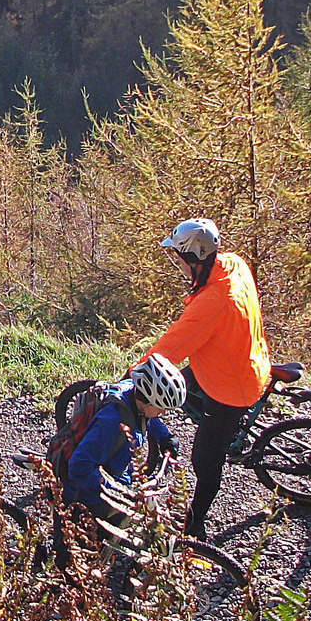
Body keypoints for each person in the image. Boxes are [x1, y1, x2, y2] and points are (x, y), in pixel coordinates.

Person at [141, 218, 271, 540]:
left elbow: (169, 348)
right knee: (173, 389)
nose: (178, 265)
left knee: (205, 458)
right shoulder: (233, 264)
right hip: (238, 362)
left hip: (231, 387)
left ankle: (194, 523)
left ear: (194, 260)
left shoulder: (214, 303)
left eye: (180, 258)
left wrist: (135, 374)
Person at [61, 353, 186, 532]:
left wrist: (165, 437)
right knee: (84, 552)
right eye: (161, 408)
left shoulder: (132, 394)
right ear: (146, 400)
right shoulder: (111, 422)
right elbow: (79, 466)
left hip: (116, 479)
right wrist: (115, 492)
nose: (164, 413)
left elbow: (147, 419)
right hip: (87, 497)